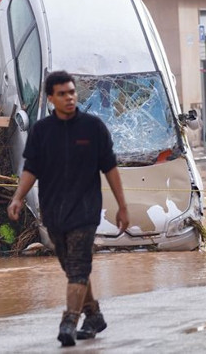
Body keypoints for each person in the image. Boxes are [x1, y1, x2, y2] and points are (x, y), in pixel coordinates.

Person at [7, 70, 129, 347]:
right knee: (73, 269)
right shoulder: (41, 131)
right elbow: (31, 169)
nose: (69, 98)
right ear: (51, 98)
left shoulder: (93, 128)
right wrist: (17, 198)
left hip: (85, 212)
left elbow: (110, 168)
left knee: (77, 269)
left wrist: (122, 206)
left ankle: (69, 322)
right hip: (54, 213)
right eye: (62, 94)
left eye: (72, 92)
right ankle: (94, 316)